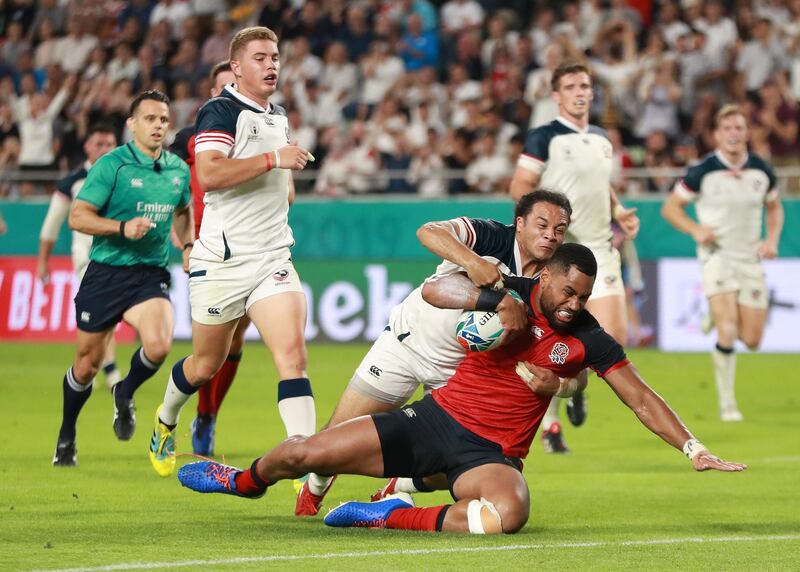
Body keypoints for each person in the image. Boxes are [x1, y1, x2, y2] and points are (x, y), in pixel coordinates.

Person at [177, 244, 745, 535]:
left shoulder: (589, 338)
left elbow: (640, 396)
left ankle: (385, 516)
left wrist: (694, 449)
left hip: (490, 456)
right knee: (304, 452)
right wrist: (494, 303)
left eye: (584, 297)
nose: (575, 306)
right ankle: (246, 481)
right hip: (432, 423)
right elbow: (435, 288)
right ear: (545, 277)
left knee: (508, 513)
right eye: (568, 292)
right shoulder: (510, 290)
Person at [295, 190, 573, 517]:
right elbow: (428, 232)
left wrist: (566, 386)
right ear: (520, 223)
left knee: (463, 455)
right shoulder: (490, 237)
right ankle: (313, 490)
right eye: (542, 224)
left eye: (559, 229)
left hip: (459, 373)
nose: (550, 234)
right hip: (407, 345)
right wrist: (473, 262)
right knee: (338, 436)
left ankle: (399, 486)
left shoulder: (552, 277)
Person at [147, 27, 314, 479]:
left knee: (293, 356)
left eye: (275, 56)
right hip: (222, 261)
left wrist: (283, 177)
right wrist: (274, 160)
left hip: (273, 258)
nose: (271, 64)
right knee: (205, 365)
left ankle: (308, 467)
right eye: (260, 57)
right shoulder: (219, 110)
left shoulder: (277, 116)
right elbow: (212, 174)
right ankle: (166, 420)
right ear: (236, 68)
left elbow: (278, 182)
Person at [52, 90, 193, 467]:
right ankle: (67, 434)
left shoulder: (178, 170)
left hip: (149, 274)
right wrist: (120, 226)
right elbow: (77, 217)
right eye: (150, 119)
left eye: (163, 119)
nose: (158, 126)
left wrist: (189, 245)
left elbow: (182, 209)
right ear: (132, 124)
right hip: (106, 274)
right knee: (86, 365)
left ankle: (125, 392)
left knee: (160, 346)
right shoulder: (111, 165)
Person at [508, 61, 640, 453]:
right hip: (560, 253)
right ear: (556, 95)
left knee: (614, 338)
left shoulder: (602, 138)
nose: (580, 92)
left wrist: (620, 211)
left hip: (600, 246)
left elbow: (601, 185)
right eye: (571, 86)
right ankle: (550, 426)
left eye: (585, 85)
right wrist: (541, 230)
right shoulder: (544, 136)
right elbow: (521, 185)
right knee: (550, 336)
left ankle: (576, 386)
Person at [662, 104, 784, 422]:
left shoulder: (762, 170)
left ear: (747, 133)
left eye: (739, 128)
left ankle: (716, 315)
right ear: (717, 135)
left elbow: (774, 208)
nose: (733, 134)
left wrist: (771, 240)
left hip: (750, 260)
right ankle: (728, 404)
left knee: (753, 340)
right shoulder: (702, 171)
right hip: (716, 256)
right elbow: (671, 208)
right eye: (727, 128)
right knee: (728, 330)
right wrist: (696, 229)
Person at [170, 60, 243, 457]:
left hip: (252, 248)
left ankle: (208, 415)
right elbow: (174, 200)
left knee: (237, 337)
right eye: (223, 86)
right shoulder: (190, 138)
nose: (230, 91)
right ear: (212, 93)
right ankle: (189, 412)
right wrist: (184, 245)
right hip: (208, 249)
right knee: (208, 350)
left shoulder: (260, 130)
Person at [37, 124, 121, 390]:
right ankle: (111, 373)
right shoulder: (72, 182)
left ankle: (86, 367)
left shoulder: (126, 176)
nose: (106, 149)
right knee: (104, 314)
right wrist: (42, 261)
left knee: (99, 319)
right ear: (87, 146)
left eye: (110, 144)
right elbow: (51, 225)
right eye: (100, 144)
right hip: (88, 260)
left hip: (120, 258)